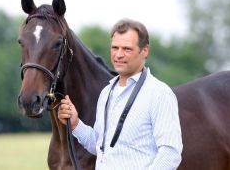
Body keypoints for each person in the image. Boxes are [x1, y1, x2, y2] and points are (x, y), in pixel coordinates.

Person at [58, 18, 183, 169]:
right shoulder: (107, 93)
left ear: (144, 51)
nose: (118, 55)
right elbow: (101, 146)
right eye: (115, 48)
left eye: (127, 49)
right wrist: (76, 124)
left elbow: (170, 153)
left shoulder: (159, 93)